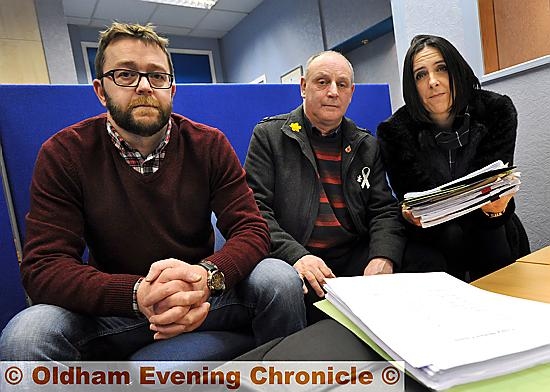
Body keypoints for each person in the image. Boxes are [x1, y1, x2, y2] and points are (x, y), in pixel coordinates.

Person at [0, 22, 305, 361]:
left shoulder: (209, 145)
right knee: (26, 336)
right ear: (101, 91)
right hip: (118, 308)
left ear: (172, 89)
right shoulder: (65, 153)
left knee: (280, 278)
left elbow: (252, 230)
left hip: (204, 294)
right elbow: (44, 266)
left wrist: (206, 277)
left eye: (157, 76)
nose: (144, 86)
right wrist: (136, 294)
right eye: (126, 75)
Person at [244, 50, 405, 324]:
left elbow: (384, 210)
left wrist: (382, 257)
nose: (333, 91)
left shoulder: (366, 145)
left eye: (341, 84)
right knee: (284, 285)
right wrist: (297, 256)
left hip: (351, 255)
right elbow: (255, 211)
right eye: (322, 82)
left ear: (351, 92)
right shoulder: (270, 136)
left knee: (422, 257)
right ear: (303, 87)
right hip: (294, 257)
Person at [377, 34, 529, 280]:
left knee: (493, 236)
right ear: (412, 86)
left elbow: (490, 186)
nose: (433, 82)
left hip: (489, 222)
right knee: (447, 239)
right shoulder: (395, 132)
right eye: (420, 75)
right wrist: (411, 213)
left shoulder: (496, 111)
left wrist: (495, 209)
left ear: (457, 70)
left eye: (441, 69)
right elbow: (417, 197)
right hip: (433, 235)